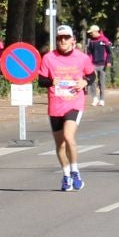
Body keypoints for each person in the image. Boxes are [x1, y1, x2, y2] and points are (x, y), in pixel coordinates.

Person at [40, 25, 97, 189]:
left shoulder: (82, 58)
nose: (63, 41)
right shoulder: (49, 58)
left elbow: (91, 75)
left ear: (73, 40)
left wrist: (84, 82)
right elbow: (42, 80)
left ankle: (75, 171)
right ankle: (66, 175)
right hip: (56, 105)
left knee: (68, 136)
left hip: (74, 102)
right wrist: (52, 81)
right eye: (60, 38)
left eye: (66, 37)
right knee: (60, 145)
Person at [85, 25, 114, 105]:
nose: (91, 34)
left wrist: (108, 61)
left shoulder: (104, 40)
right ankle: (95, 98)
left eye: (91, 33)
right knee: (92, 81)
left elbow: (109, 52)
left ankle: (102, 99)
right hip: (93, 64)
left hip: (102, 64)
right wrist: (89, 63)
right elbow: (89, 53)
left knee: (101, 82)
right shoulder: (91, 41)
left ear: (96, 31)